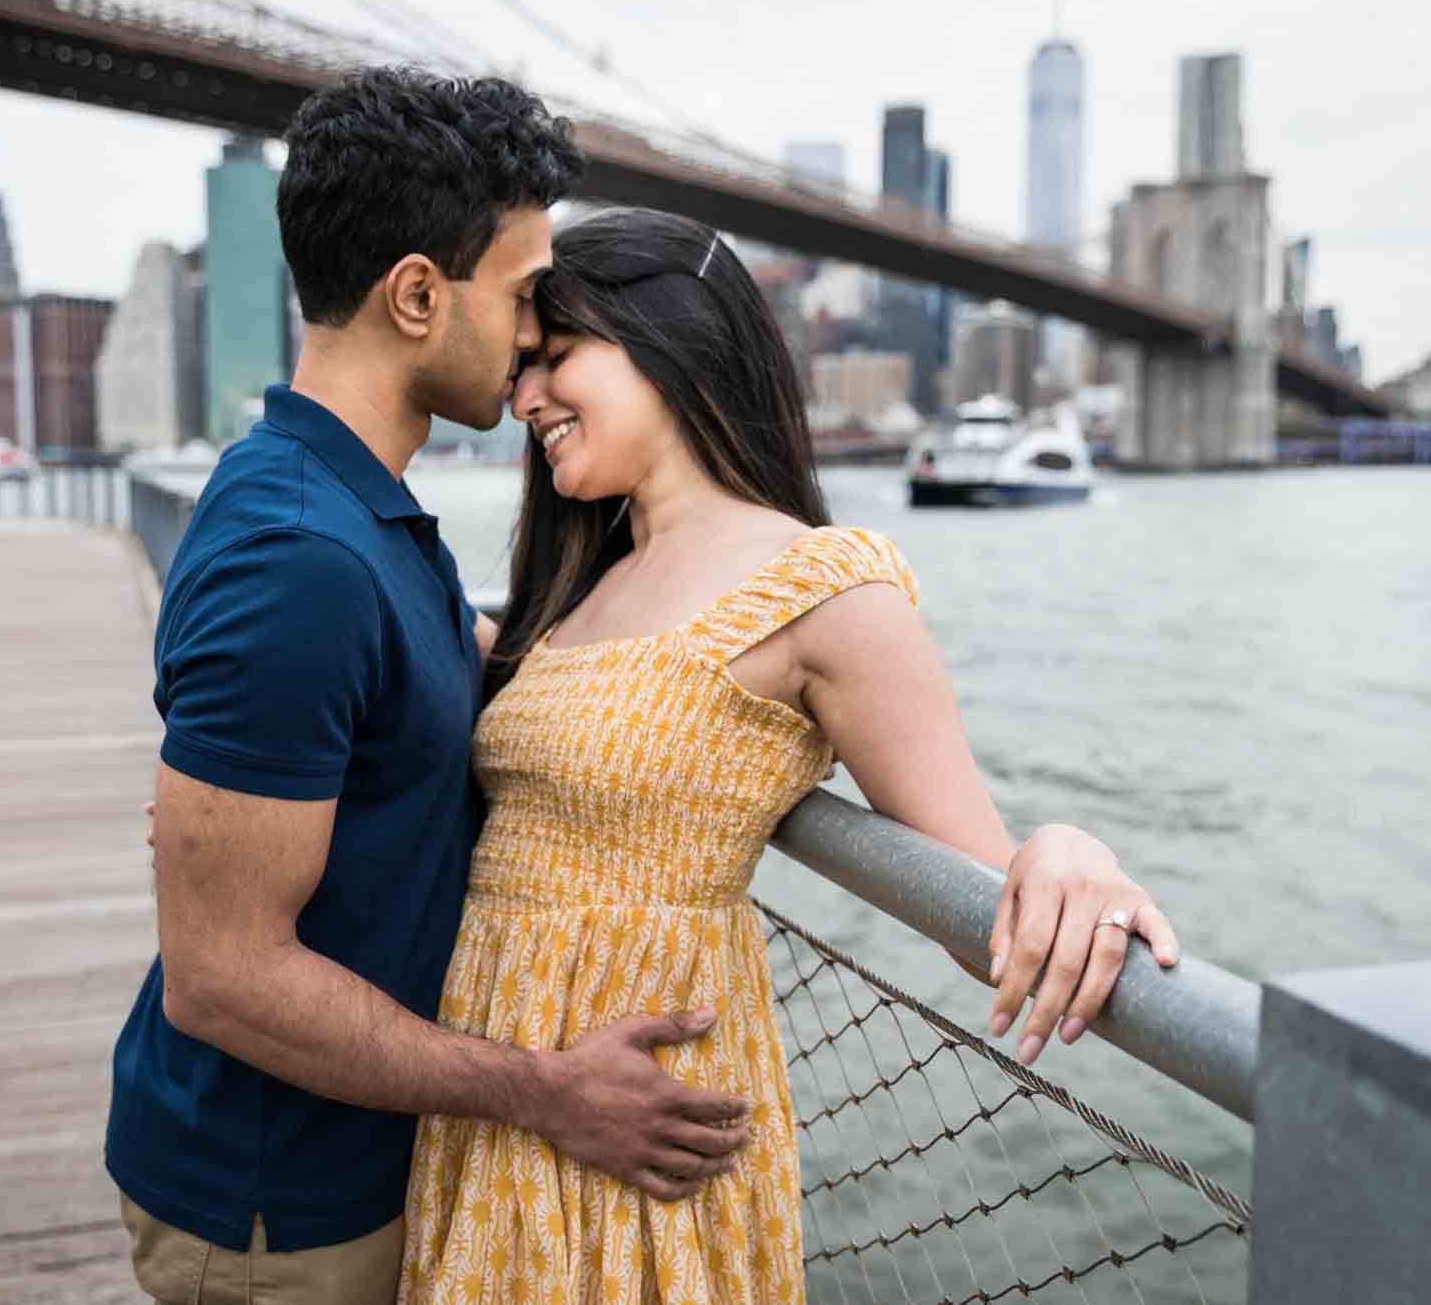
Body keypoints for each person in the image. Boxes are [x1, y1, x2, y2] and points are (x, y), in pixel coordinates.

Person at [396, 208, 1181, 1302]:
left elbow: (977, 891)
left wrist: (1066, 848)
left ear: (668, 340)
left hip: (647, 1118)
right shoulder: (575, 579)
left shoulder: (825, 588)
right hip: (505, 1090)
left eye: (555, 357)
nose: (523, 399)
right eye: (523, 366)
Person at [108, 71, 751, 1305]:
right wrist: (542, 1089)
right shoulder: (300, 557)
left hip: (351, 1163)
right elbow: (222, 973)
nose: (528, 341)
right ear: (416, 295)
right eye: (520, 297)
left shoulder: (351, 508)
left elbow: (390, 698)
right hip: (277, 1210)